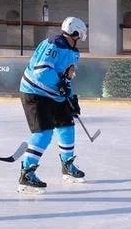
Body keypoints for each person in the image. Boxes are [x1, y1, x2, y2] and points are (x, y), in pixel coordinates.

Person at [17, 16, 87, 193]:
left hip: (54, 95)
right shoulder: (53, 44)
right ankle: (26, 173)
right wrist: (60, 85)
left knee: (67, 127)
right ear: (76, 32)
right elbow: (41, 72)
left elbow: (66, 77)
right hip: (34, 92)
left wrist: (71, 97)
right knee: (44, 133)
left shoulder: (74, 52)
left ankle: (67, 166)